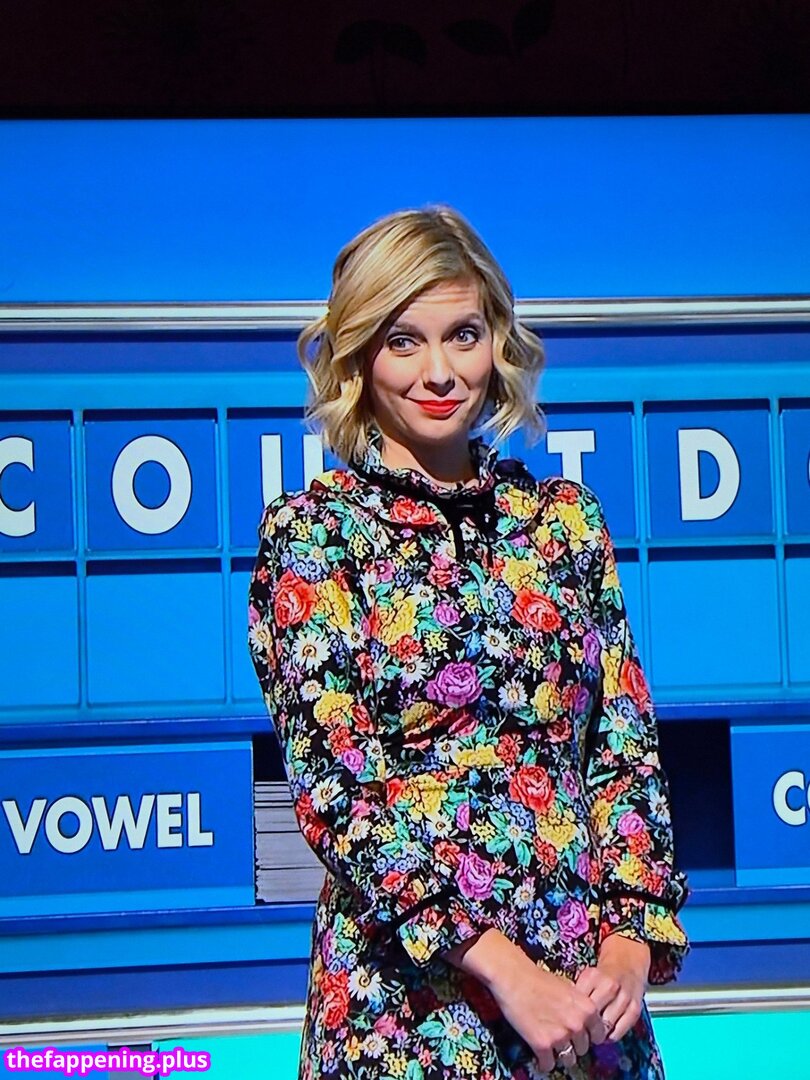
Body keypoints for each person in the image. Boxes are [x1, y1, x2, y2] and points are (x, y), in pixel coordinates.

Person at [247, 205, 690, 1080]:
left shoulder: (565, 522)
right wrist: (506, 972)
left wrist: (631, 942)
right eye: (403, 341)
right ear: (358, 356)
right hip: (407, 1011)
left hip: (584, 1006)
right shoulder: (313, 538)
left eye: (463, 335)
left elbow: (622, 749)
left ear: (498, 342)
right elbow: (340, 794)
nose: (440, 372)